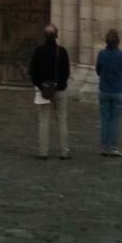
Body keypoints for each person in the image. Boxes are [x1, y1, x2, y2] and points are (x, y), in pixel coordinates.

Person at [28, 24, 71, 160]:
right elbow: (66, 71)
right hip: (60, 90)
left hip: (44, 90)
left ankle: (43, 152)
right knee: (62, 120)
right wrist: (61, 84)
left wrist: (39, 85)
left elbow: (33, 70)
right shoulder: (62, 52)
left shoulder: (39, 51)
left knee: (43, 120)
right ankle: (64, 151)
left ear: (45, 36)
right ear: (56, 35)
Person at [95, 29, 122, 157]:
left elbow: (98, 70)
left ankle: (104, 147)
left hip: (104, 89)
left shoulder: (101, 54)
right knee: (115, 120)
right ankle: (113, 147)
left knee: (105, 120)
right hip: (118, 90)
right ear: (118, 42)